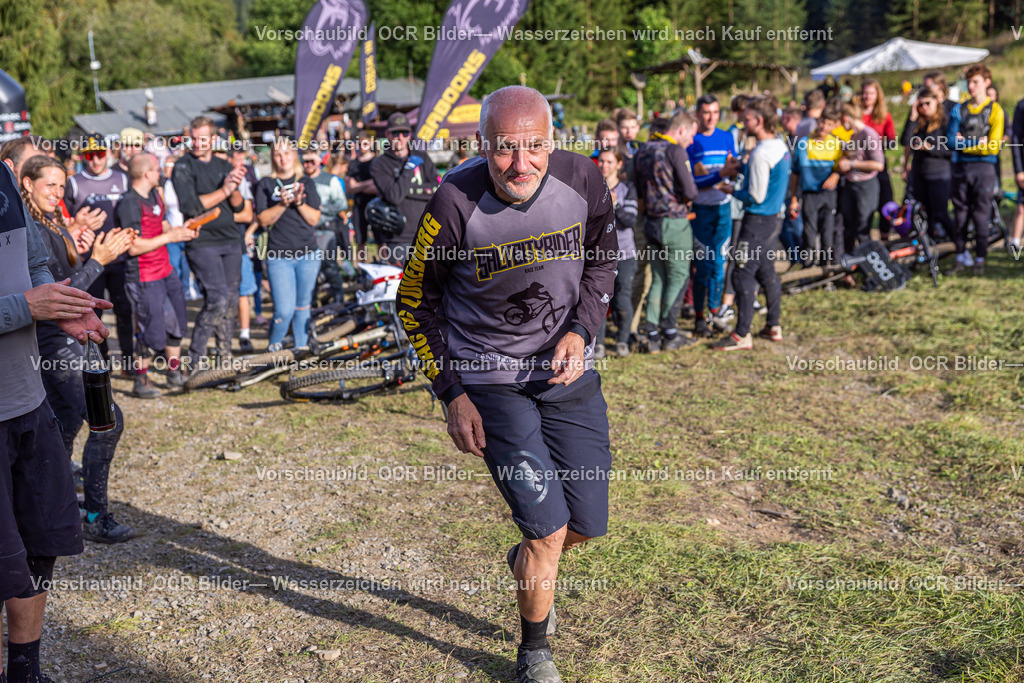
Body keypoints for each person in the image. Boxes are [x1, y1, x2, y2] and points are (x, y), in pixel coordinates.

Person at [398, 84, 616, 683]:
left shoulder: (584, 180)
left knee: (586, 525)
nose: (521, 165)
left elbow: (603, 257)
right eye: (503, 151)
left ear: (554, 141)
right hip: (491, 382)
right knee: (548, 530)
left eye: (534, 148)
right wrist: (453, 395)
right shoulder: (451, 203)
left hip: (567, 375)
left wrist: (582, 327)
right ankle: (534, 654)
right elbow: (414, 302)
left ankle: (529, 560)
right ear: (481, 144)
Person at [1, 157, 111, 683]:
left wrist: (63, 304)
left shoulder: (2, 177)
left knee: (41, 546)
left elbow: (37, 263)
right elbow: (25, 298)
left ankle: (27, 673)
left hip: (28, 401)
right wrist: (27, 307)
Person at [20, 153, 139, 546]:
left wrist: (83, 244)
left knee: (65, 425)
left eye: (61, 184)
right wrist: (99, 261)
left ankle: (51, 509)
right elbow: (60, 295)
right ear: (26, 184)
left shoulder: (50, 221)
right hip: (53, 342)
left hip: (74, 338)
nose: (57, 191)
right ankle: (94, 514)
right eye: (48, 184)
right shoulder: (28, 227)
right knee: (108, 419)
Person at [116, 154, 199, 396]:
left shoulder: (154, 194)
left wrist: (180, 231)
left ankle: (174, 373)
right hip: (143, 276)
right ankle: (141, 380)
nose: (161, 171)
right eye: (157, 168)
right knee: (149, 330)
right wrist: (169, 238)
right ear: (146, 173)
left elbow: (160, 224)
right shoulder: (129, 202)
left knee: (177, 325)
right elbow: (133, 246)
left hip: (165, 270)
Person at [713, 97, 791, 351]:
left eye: (746, 119)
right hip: (772, 220)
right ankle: (773, 325)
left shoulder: (760, 153)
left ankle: (742, 334)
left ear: (758, 121)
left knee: (742, 272)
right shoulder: (779, 146)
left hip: (756, 221)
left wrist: (730, 188)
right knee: (766, 271)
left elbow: (755, 195)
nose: (742, 123)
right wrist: (743, 169)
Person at [171, 116, 248, 366]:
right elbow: (191, 207)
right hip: (203, 243)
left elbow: (240, 206)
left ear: (214, 139)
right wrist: (223, 191)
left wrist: (234, 185)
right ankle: (195, 360)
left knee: (231, 302)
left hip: (231, 239)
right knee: (217, 300)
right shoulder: (183, 166)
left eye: (202, 138)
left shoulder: (223, 165)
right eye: (193, 138)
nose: (196, 143)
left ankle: (224, 358)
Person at [65, 133, 134, 373]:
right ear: (83, 157)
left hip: (119, 257)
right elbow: (67, 221)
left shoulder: (122, 179)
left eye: (100, 154)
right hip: (90, 260)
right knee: (94, 312)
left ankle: (128, 359)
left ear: (109, 154)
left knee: (125, 310)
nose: (95, 160)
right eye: (89, 155)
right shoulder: (74, 182)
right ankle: (101, 361)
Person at [634, 110, 700, 352]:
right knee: (679, 277)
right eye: (691, 134)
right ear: (681, 129)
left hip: (650, 222)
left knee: (659, 278)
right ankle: (670, 332)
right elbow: (691, 192)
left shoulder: (644, 149)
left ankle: (652, 332)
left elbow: (637, 187)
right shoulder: (675, 150)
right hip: (674, 223)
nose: (692, 140)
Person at [252, 138, 322, 352]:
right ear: (273, 159)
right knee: (283, 311)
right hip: (279, 256)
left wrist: (299, 203)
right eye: (277, 154)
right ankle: (273, 352)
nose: (283, 158)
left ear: (294, 155)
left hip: (308, 255)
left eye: (286, 153)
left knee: (302, 308)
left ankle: (299, 353)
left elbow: (314, 219)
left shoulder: (306, 182)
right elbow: (263, 220)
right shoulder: (265, 184)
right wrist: (282, 204)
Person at [687, 94, 740, 338]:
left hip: (723, 209)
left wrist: (731, 174)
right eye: (706, 112)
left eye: (715, 112)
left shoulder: (726, 136)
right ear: (698, 114)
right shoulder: (691, 140)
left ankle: (714, 311)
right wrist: (720, 175)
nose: (711, 117)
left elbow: (734, 169)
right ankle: (699, 316)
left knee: (719, 263)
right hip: (700, 211)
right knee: (702, 265)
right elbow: (692, 183)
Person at [948, 63, 1004, 276]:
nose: (971, 86)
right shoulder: (958, 109)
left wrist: (966, 143)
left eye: (975, 82)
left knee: (981, 214)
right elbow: (951, 142)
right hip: (961, 168)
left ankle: (980, 258)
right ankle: (961, 257)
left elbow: (993, 146)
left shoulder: (995, 110)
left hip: (984, 169)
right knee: (960, 215)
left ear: (986, 83)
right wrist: (976, 143)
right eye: (968, 82)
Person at [369, 112, 439, 264]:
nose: (400, 137)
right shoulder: (379, 164)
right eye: (395, 133)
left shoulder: (422, 157)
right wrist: (408, 169)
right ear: (387, 134)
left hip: (428, 233)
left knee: (432, 286)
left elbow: (437, 188)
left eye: (404, 132)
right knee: (405, 287)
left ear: (409, 135)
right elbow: (394, 196)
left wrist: (406, 189)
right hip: (399, 238)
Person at [594, 148, 638, 358]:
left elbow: (630, 219)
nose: (604, 165)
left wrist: (615, 205)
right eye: (601, 161)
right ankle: (599, 345)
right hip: (599, 256)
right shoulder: (591, 188)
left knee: (622, 299)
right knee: (599, 300)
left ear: (619, 165)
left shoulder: (627, 189)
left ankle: (622, 341)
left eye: (609, 162)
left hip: (625, 254)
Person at [789, 107, 843, 267]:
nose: (824, 126)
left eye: (829, 124)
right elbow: (795, 174)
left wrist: (836, 174)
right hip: (809, 194)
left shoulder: (836, 144)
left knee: (827, 235)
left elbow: (842, 166)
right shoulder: (803, 143)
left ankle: (825, 270)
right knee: (809, 235)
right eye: (822, 122)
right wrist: (793, 198)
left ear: (834, 126)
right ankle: (807, 269)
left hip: (828, 195)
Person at [903, 88, 954, 241]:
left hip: (939, 172)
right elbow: (905, 141)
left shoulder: (946, 121)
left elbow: (952, 149)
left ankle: (959, 244)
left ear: (936, 102)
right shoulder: (919, 121)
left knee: (940, 212)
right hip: (920, 173)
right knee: (925, 213)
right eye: (920, 104)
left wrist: (930, 147)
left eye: (927, 103)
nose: (924, 107)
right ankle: (930, 246)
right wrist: (912, 117)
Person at [837, 100, 885, 258]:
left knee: (863, 229)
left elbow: (879, 164)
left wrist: (851, 163)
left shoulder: (869, 134)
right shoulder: (854, 135)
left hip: (866, 186)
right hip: (851, 185)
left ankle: (870, 267)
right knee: (848, 226)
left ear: (845, 118)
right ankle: (850, 265)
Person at [301, 149, 349, 302]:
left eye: (311, 161)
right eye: (305, 161)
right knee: (308, 270)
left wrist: (319, 210)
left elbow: (341, 204)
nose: (308, 165)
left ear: (319, 161)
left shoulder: (330, 180)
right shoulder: (299, 180)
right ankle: (311, 302)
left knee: (329, 266)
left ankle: (338, 299)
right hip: (305, 231)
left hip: (325, 230)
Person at [227, 147, 258, 353]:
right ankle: (225, 337)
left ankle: (245, 335)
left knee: (243, 293)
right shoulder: (215, 177)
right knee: (223, 296)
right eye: (235, 155)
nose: (240, 159)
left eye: (242, 155)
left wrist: (250, 233)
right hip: (217, 245)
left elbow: (249, 215)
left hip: (238, 243)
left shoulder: (245, 180)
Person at [859, 79, 896, 239]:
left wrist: (875, 143)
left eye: (871, 93)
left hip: (878, 160)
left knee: (886, 198)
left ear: (877, 95)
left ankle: (885, 234)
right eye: (865, 93)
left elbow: (892, 141)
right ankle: (862, 237)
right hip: (860, 162)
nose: (867, 96)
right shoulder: (856, 114)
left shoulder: (884, 116)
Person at [347, 131, 379, 263]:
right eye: (360, 144)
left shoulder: (377, 162)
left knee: (380, 240)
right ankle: (361, 271)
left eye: (365, 143)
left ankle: (384, 267)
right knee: (361, 240)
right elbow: (349, 187)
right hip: (359, 206)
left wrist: (358, 185)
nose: (362, 147)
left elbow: (377, 186)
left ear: (370, 143)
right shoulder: (353, 164)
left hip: (377, 205)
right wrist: (368, 184)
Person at [1010, 90, 1024, 252]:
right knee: (1021, 207)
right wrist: (1019, 170)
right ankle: (1014, 243)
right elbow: (1014, 140)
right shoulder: (1021, 106)